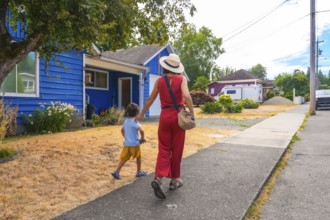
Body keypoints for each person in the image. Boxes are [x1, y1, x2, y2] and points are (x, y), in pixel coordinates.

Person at [135, 53, 194, 199]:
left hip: (165, 117)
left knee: (164, 149)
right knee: (177, 149)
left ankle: (158, 179)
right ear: (177, 68)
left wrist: (141, 113)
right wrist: (192, 113)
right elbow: (186, 96)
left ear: (165, 67)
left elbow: (150, 98)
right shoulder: (182, 79)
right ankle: (174, 181)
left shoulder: (160, 81)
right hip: (178, 117)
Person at [111, 103, 147, 180]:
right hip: (135, 144)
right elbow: (142, 131)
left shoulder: (126, 121)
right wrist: (142, 138)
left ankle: (117, 171)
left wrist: (126, 137)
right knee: (139, 157)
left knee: (124, 158)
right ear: (137, 113)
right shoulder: (135, 121)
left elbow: (122, 130)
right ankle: (138, 172)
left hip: (127, 144)